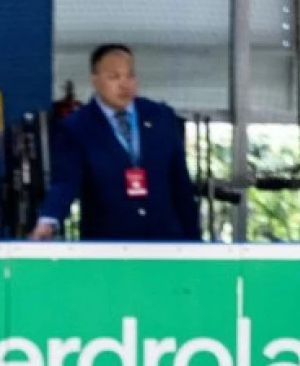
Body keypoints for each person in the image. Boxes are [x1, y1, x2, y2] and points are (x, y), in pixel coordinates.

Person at [31, 44, 200, 242]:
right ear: (95, 79)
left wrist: (194, 241)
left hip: (166, 243)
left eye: (130, 76)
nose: (124, 84)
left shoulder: (161, 117)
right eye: (114, 77)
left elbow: (181, 185)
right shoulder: (76, 128)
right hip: (108, 246)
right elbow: (65, 182)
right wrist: (48, 220)